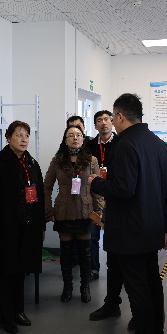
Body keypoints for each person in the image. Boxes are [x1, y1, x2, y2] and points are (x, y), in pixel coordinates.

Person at [89, 93, 167, 334]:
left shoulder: (125, 145)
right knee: (152, 286)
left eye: (112, 117)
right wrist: (164, 226)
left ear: (120, 116)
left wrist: (96, 183)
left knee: (138, 291)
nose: (111, 122)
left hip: (130, 230)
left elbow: (123, 189)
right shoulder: (158, 144)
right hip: (151, 228)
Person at [0, 121, 45, 334]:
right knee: (4, 272)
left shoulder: (32, 164)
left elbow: (40, 197)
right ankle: (5, 316)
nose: (24, 139)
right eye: (19, 135)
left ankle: (18, 311)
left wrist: (40, 225)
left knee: (20, 271)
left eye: (26, 135)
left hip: (26, 228)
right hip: (4, 227)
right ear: (8, 138)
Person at [44, 124, 104, 303]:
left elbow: (98, 188)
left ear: (83, 139)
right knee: (66, 252)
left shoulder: (92, 160)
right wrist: (48, 210)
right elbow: (47, 187)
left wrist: (99, 211)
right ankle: (67, 287)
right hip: (63, 211)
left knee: (86, 252)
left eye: (78, 135)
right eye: (71, 135)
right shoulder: (58, 159)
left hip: (85, 211)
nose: (75, 137)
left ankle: (85, 287)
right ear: (65, 140)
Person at [87, 110, 116, 281]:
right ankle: (93, 269)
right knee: (93, 235)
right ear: (95, 125)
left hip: (114, 194)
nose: (103, 123)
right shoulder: (89, 146)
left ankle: (117, 270)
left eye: (106, 119)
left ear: (112, 122)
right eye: (99, 120)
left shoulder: (121, 143)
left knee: (116, 235)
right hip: (95, 195)